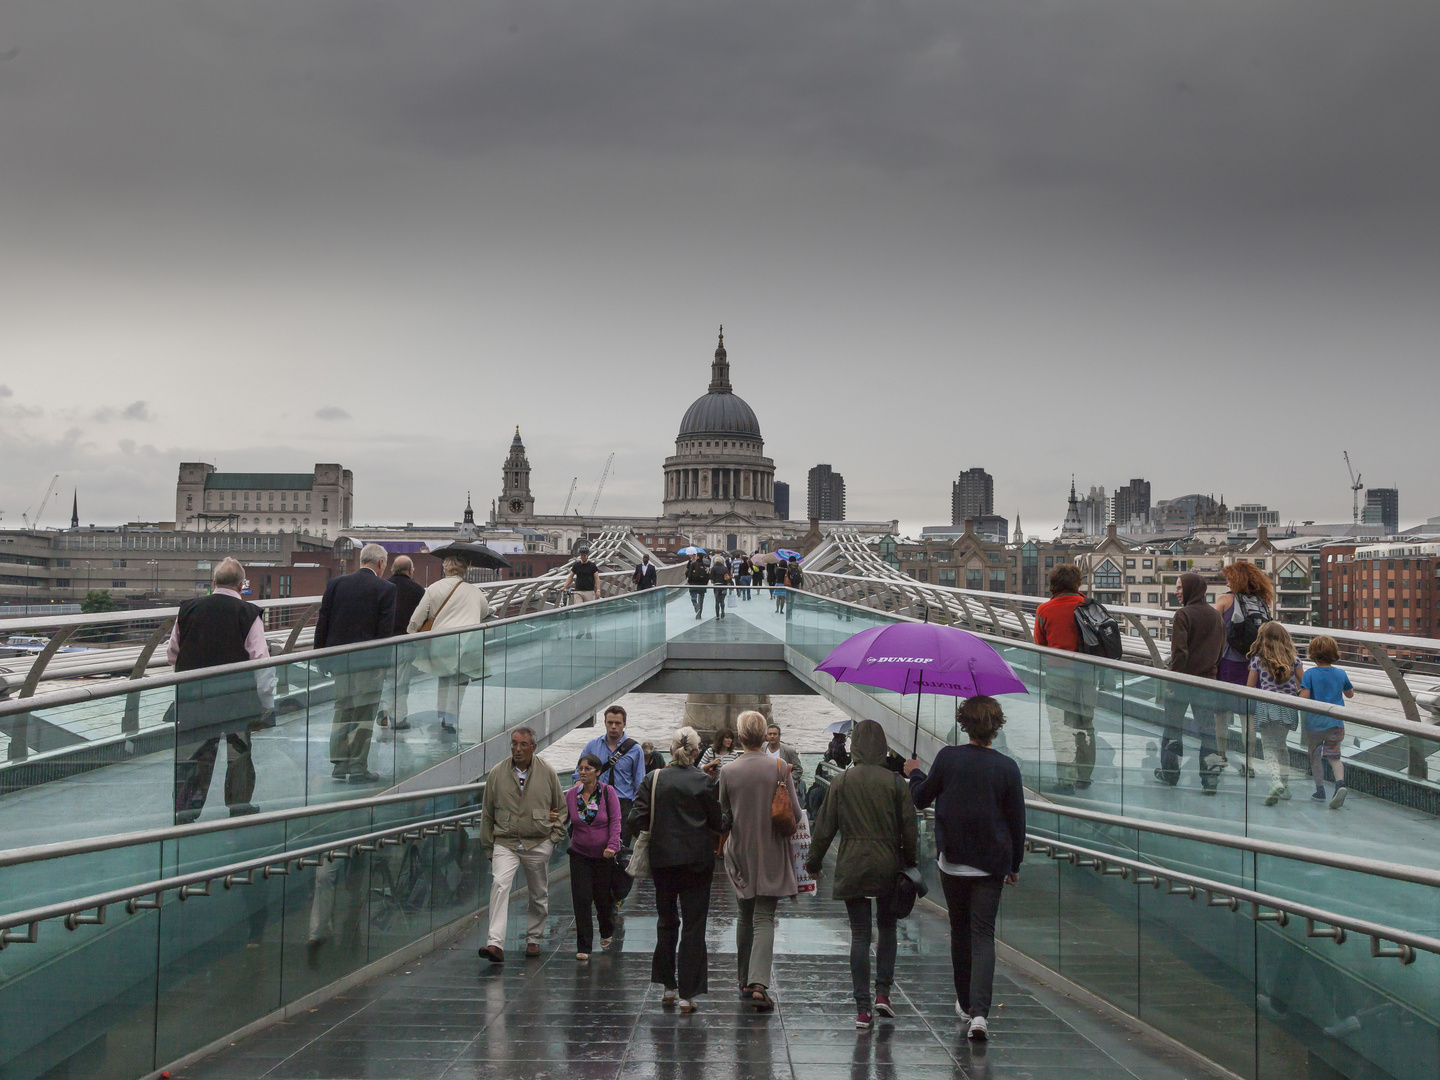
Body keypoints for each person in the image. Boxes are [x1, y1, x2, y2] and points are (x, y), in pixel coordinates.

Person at [903, 696, 1025, 1041]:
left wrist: (914, 773)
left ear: (964, 724)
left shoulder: (948, 758)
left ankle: (965, 1001)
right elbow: (1017, 821)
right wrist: (1013, 864)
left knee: (959, 930)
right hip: (991, 866)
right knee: (983, 934)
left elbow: (921, 797)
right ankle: (980, 1015)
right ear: (996, 728)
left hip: (953, 863)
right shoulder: (1007, 768)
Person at [806, 720, 918, 1029]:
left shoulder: (843, 781)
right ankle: (883, 993)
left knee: (859, 934)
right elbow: (910, 829)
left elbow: (824, 826)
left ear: (854, 746)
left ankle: (863, 1009)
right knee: (888, 927)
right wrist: (910, 861)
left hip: (852, 862)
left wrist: (813, 862)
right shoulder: (896, 783)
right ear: (883, 747)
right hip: (888, 863)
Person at [167, 557, 274, 823]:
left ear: (213, 582)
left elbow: (173, 654)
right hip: (236, 701)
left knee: (193, 756)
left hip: (194, 698)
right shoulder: (248, 613)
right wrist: (267, 703)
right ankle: (239, 807)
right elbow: (260, 660)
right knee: (238, 755)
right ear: (241, 586)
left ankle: (185, 811)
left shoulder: (187, 609)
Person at [630, 726, 724, 1013]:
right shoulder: (703, 782)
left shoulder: (653, 778)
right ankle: (688, 993)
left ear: (671, 750)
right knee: (694, 925)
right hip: (697, 862)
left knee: (666, 920)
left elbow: (637, 818)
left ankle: (668, 986)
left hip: (663, 861)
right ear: (696, 752)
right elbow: (718, 824)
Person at [719, 710, 801, 1012]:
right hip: (771, 850)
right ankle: (758, 984)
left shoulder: (728, 771)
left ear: (740, 737)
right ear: (765, 735)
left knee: (745, 914)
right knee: (764, 917)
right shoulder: (780, 767)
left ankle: (742, 978)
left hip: (741, 850)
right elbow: (796, 812)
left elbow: (724, 810)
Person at [478, 727, 566, 963]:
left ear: (533, 747)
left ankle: (534, 939)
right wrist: (489, 846)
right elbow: (487, 813)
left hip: (538, 842)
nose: (517, 749)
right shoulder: (497, 773)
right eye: (514, 744)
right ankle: (495, 943)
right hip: (505, 842)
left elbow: (562, 808)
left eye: (523, 744)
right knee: (499, 885)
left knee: (538, 893)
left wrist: (553, 839)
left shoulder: (547, 772)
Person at [314, 543, 396, 783]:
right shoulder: (386, 588)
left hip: (340, 662)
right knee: (364, 712)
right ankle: (358, 767)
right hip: (369, 664)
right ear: (381, 563)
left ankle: (339, 765)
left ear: (362, 560)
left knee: (343, 710)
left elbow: (323, 621)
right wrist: (384, 666)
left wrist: (320, 657)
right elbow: (385, 633)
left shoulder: (336, 584)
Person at [1155, 572, 1226, 795]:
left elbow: (1179, 652)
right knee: (1207, 732)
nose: (1176, 592)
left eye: (1180, 588)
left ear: (1190, 589)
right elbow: (1220, 650)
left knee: (1173, 727)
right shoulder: (1216, 616)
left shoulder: (1182, 615)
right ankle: (1210, 779)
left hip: (1183, 682)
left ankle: (1170, 773)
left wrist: (1173, 679)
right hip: (1207, 682)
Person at [407, 554, 490, 736]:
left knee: (444, 677)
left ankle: (443, 714)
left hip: (441, 640)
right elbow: (484, 612)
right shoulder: (474, 591)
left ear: (445, 568)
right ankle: (451, 718)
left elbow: (417, 617)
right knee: (460, 681)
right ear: (464, 570)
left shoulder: (434, 588)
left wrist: (411, 635)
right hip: (468, 642)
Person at [1033, 563, 1098, 794]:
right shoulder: (1089, 606)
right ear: (1076, 583)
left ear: (1053, 584)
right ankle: (1084, 776)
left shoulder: (1044, 610)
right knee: (1085, 724)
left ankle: (1066, 780)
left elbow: (1041, 645)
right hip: (1088, 674)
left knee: (1061, 726)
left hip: (1059, 674)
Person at [576, 705, 647, 907]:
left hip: (623, 805)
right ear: (605, 723)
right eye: (610, 723)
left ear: (624, 724)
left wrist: (637, 812)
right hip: (597, 802)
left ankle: (618, 894)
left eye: (617, 723)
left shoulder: (635, 749)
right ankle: (602, 891)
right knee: (598, 848)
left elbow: (639, 783)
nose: (613, 727)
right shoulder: (592, 746)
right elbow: (577, 772)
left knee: (619, 849)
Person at [1214, 562, 1275, 775]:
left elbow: (1214, 630)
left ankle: (1221, 756)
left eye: (1229, 578)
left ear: (1236, 579)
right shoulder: (1261, 602)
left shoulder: (1224, 599)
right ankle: (1248, 764)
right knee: (1247, 720)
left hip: (1227, 664)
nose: (1227, 581)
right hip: (1253, 667)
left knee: (1220, 715)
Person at [565, 752, 621, 961]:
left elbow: (615, 821)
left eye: (587, 769)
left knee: (602, 899)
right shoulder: (571, 794)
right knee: (581, 899)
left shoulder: (608, 792)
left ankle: (606, 928)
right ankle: (584, 946)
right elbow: (563, 818)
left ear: (598, 772)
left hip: (603, 856)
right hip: (579, 853)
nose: (583, 772)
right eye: (580, 769)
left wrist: (612, 846)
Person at [1247, 621, 1304, 806]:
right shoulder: (1294, 660)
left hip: (1267, 706)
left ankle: (1275, 781)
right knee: (1281, 745)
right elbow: (1305, 684)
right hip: (1288, 706)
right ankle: (1285, 785)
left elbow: (1249, 687)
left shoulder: (1257, 660)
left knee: (1268, 746)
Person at [1299, 635, 1353, 809]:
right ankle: (1340, 784)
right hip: (1336, 722)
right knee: (1334, 756)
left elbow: (1304, 697)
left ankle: (1319, 790)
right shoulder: (1341, 673)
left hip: (1314, 724)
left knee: (1315, 756)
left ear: (1313, 653)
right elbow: (1350, 694)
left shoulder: (1310, 674)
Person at [381, 555, 426, 732]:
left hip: (384, 643)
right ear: (409, 570)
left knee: (387, 680)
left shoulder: (383, 586)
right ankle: (399, 720)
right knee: (401, 683)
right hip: (407, 642)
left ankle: (383, 710)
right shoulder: (417, 590)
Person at [765, 722, 804, 803]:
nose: (772, 736)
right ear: (766, 736)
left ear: (779, 736)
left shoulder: (789, 751)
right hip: (765, 789)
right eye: (770, 734)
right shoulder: (761, 749)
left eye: (775, 734)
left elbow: (798, 770)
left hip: (783, 791)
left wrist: (786, 781)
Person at [686, 553, 710, 619]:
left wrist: (689, 582)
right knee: (701, 599)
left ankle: (696, 607)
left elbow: (689, 574)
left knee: (693, 597)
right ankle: (699, 614)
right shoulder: (705, 565)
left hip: (694, 583)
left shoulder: (693, 564)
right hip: (702, 584)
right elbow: (707, 575)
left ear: (698, 557)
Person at [709, 553, 733, 619]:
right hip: (724, 586)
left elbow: (711, 577)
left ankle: (717, 615)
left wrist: (713, 580)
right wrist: (731, 583)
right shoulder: (725, 568)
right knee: (722, 600)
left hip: (716, 586)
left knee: (717, 601)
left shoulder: (713, 568)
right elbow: (728, 576)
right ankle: (722, 610)